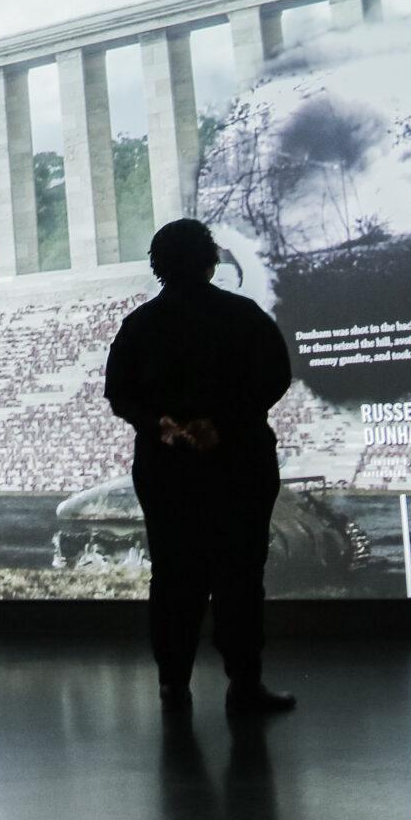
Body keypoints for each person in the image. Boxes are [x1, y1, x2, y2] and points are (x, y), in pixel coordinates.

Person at [104, 218, 298, 718]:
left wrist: (160, 425)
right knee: (240, 576)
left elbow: (119, 394)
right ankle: (245, 684)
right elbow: (276, 377)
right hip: (241, 463)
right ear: (211, 262)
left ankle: (173, 685)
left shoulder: (139, 325)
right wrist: (224, 425)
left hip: (166, 471)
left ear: (158, 266)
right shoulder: (244, 315)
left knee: (173, 578)